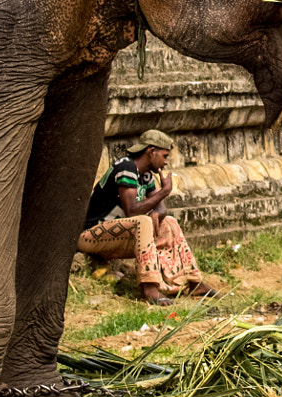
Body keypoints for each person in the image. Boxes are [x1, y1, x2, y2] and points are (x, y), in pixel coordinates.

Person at [78, 130, 217, 304]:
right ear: (152, 152)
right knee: (143, 221)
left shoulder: (146, 175)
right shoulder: (126, 167)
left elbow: (160, 208)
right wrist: (164, 192)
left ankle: (192, 282)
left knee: (169, 222)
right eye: (164, 156)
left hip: (116, 236)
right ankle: (149, 288)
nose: (165, 162)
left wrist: (158, 208)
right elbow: (132, 211)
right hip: (90, 236)